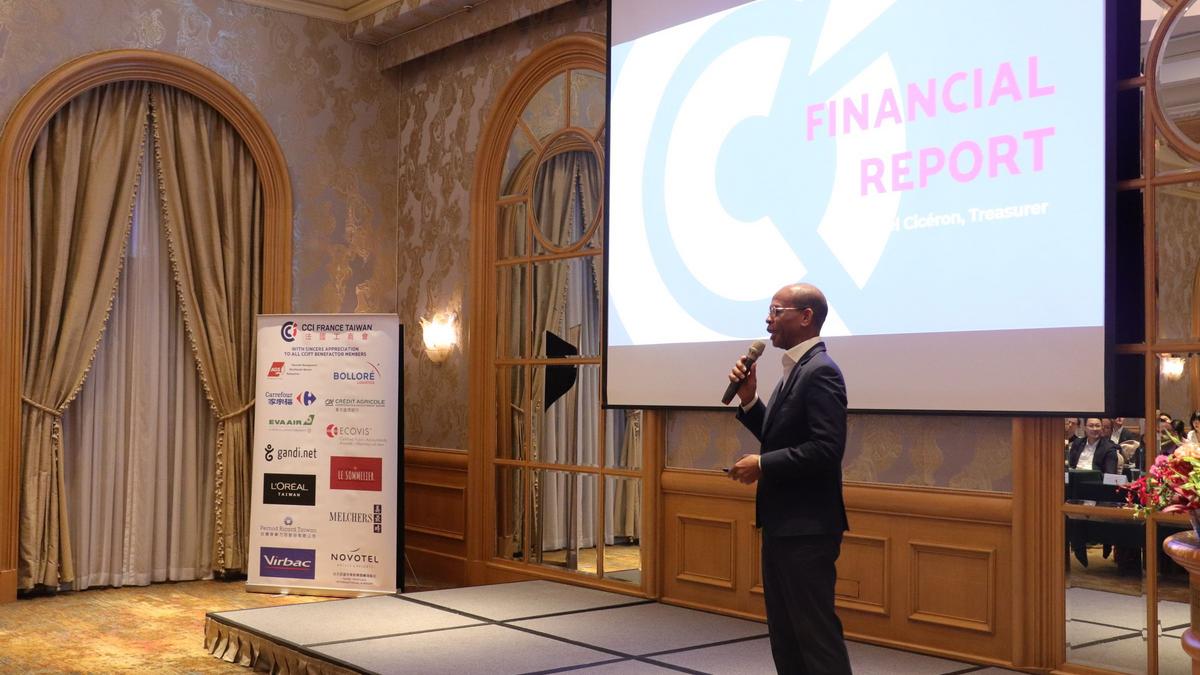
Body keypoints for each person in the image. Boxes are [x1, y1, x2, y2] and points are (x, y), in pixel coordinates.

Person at [727, 282, 852, 675]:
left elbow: (826, 449)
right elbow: (782, 437)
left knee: (815, 639)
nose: (768, 320)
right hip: (784, 525)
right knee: (787, 637)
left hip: (807, 530)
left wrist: (763, 464)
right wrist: (750, 399)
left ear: (806, 317)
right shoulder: (797, 369)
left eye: (776, 311)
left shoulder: (821, 371)